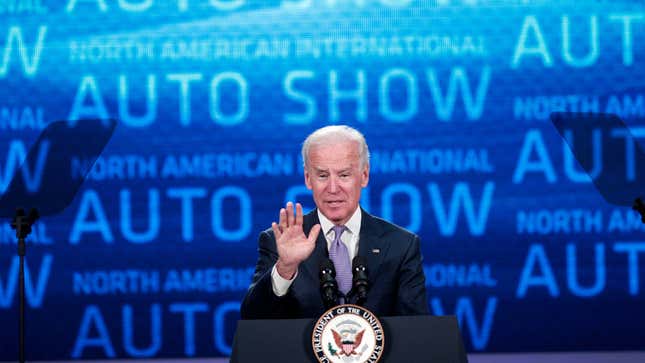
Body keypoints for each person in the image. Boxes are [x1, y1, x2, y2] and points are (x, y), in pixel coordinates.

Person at [241, 125, 428, 319]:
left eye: (344, 175)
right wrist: (285, 268)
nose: (332, 188)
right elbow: (253, 320)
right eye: (322, 175)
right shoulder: (277, 242)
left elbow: (416, 330)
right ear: (308, 178)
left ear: (364, 175)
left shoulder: (401, 245)